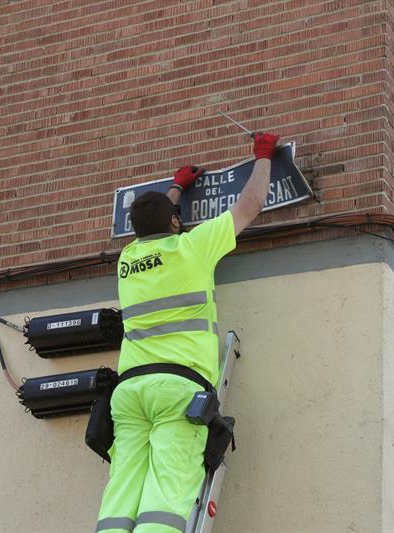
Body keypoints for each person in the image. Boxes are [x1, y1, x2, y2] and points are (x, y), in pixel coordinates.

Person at [95, 132, 280, 533]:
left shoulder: (127, 260)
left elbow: (155, 225)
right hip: (177, 390)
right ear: (176, 224)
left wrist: (175, 188)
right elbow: (250, 205)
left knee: (120, 496)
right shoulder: (191, 248)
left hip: (129, 393)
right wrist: (263, 156)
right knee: (165, 499)